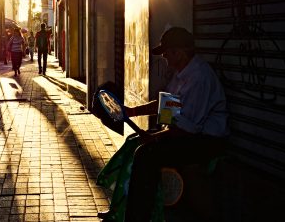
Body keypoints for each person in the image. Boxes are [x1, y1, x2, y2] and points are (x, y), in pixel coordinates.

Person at [97, 27, 229, 222]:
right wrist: (133, 111)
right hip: (188, 133)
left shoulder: (199, 78)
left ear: (179, 52)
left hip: (207, 141)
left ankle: (138, 217)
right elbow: (166, 106)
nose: (165, 57)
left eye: (167, 52)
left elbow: (187, 129)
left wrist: (154, 137)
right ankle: (122, 209)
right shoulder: (180, 73)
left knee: (145, 154)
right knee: (133, 143)